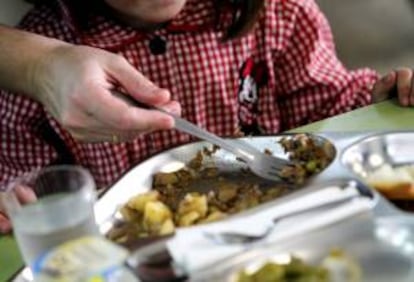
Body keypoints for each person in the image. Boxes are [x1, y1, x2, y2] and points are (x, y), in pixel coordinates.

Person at [0, 0, 413, 232]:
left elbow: (328, 113)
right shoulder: (38, 56)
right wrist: (18, 202)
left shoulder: (280, 15)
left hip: (278, 227)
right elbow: (29, 185)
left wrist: (379, 99)